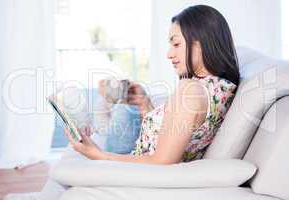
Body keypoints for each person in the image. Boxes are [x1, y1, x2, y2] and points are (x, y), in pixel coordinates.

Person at [64, 5, 240, 164]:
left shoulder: (190, 89)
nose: (169, 54)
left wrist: (98, 155)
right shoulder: (220, 87)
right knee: (118, 106)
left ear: (202, 43)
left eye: (176, 44)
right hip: (139, 155)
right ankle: (92, 117)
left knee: (111, 106)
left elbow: (162, 162)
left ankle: (88, 117)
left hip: (139, 172)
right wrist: (144, 104)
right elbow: (162, 143)